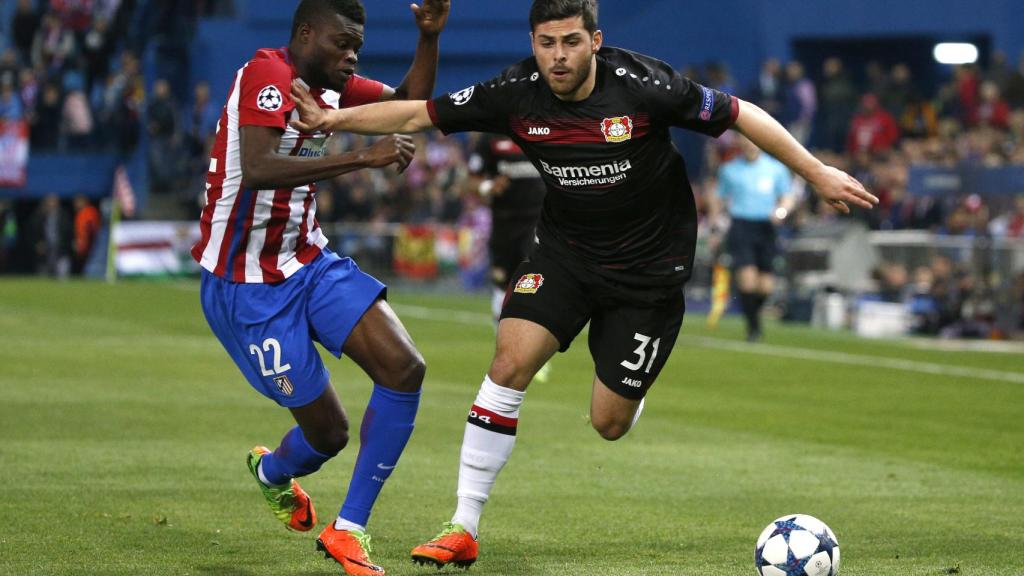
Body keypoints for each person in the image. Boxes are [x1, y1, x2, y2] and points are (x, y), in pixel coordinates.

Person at [289, 0, 876, 569]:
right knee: (508, 363)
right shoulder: (515, 91)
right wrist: (332, 121)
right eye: (547, 43)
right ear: (533, 44)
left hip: (648, 274)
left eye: (571, 41)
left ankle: (628, 384)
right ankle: (462, 526)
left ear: (595, 41)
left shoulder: (644, 86)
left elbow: (742, 114)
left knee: (608, 423)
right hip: (565, 256)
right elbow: (416, 114)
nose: (559, 56)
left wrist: (815, 171)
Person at [189, 1, 449, 575]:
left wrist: (428, 37)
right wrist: (362, 157)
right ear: (306, 34)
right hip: (247, 286)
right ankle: (272, 472)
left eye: (357, 45)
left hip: (309, 261)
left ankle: (348, 530)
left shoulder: (334, 86)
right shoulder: (268, 74)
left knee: (405, 368)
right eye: (342, 43)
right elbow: (258, 167)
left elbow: (410, 106)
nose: (351, 56)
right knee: (329, 434)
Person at [711, 134, 794, 341]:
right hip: (741, 226)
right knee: (747, 280)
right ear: (740, 142)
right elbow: (718, 199)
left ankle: (752, 316)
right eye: (746, 140)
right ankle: (753, 328)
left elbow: (787, 197)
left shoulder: (775, 169)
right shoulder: (730, 169)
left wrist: (781, 212)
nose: (750, 144)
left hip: (767, 228)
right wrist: (715, 228)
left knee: (766, 286)